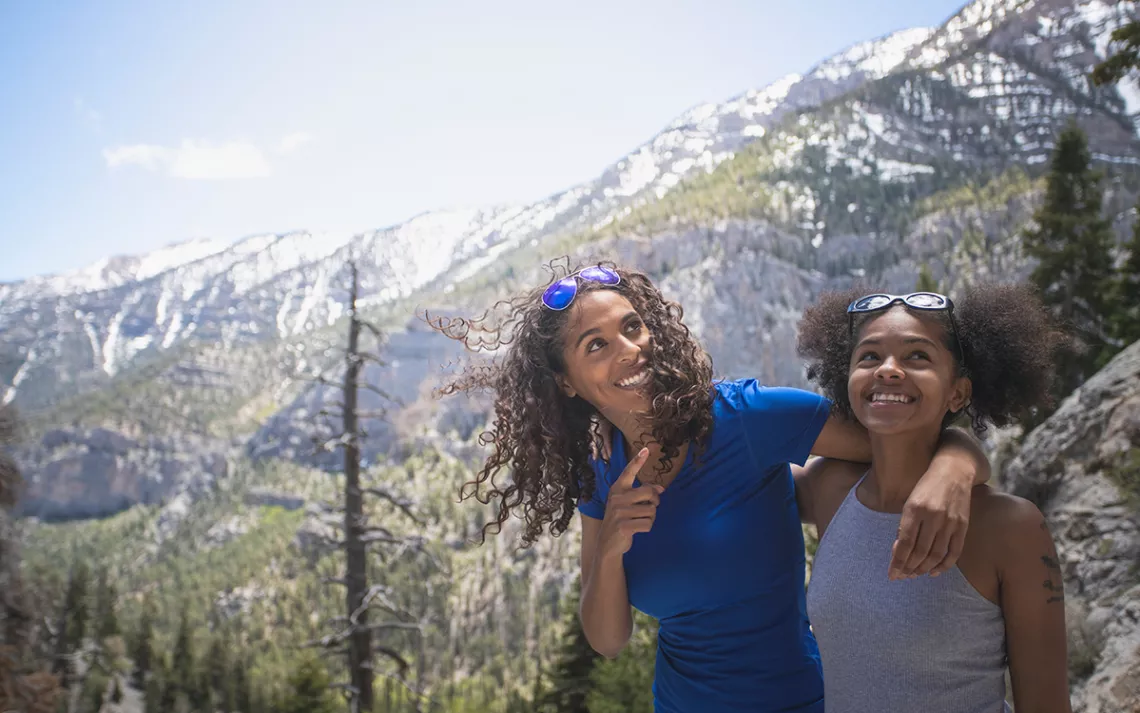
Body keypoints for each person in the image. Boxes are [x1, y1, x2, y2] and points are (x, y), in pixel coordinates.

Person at [428, 262, 991, 713]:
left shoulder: (746, 417)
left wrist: (957, 467)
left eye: (631, 326)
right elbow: (607, 638)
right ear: (566, 383)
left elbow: (904, 433)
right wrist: (613, 544)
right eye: (595, 345)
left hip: (797, 701)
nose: (628, 348)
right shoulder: (600, 472)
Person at [795, 285, 1071, 712]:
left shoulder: (1011, 528)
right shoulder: (829, 490)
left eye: (916, 357)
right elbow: (727, 462)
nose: (887, 370)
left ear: (958, 393)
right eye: (869, 356)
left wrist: (958, 461)